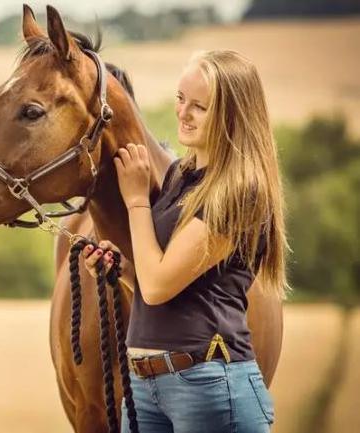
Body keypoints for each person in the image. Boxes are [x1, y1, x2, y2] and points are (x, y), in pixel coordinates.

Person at [80, 50, 289, 433]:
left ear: (232, 115)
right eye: (180, 99)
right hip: (145, 388)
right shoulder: (180, 175)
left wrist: (138, 200)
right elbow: (160, 282)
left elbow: (158, 287)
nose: (183, 113)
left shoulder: (240, 192)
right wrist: (121, 269)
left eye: (200, 107)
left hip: (209, 387)